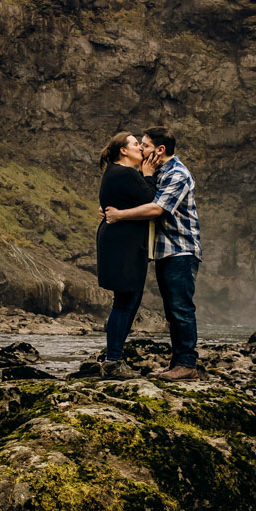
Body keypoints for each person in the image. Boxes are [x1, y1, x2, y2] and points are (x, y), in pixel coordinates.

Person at [103, 126, 200, 380]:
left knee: (180, 308)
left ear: (160, 150)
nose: (141, 149)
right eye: (138, 144)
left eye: (144, 145)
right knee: (172, 309)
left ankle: (187, 364)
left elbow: (156, 208)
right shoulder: (155, 172)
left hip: (181, 250)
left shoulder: (178, 174)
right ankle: (178, 363)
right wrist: (108, 211)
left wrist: (119, 214)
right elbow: (134, 196)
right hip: (162, 251)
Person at [94, 131, 157, 372]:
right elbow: (152, 200)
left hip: (121, 241)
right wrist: (148, 175)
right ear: (123, 150)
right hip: (123, 243)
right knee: (124, 301)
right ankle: (113, 360)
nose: (140, 149)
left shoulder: (115, 172)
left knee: (127, 300)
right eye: (134, 145)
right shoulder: (126, 173)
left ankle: (115, 357)